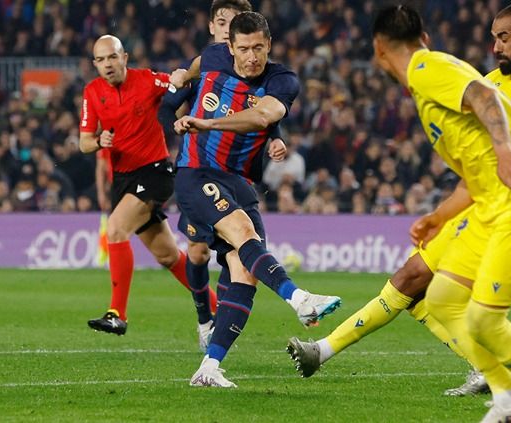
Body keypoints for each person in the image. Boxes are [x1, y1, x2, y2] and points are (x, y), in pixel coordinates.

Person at [286, 1, 511, 401]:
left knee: (441, 297)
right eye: (493, 37)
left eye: (504, 37)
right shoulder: (491, 80)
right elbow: (476, 160)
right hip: (480, 203)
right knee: (417, 286)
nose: (495, 46)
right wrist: (443, 212)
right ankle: (328, 353)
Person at [171, 12, 341, 387]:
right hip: (196, 172)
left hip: (240, 182)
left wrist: (209, 123)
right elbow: (199, 64)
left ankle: (209, 368)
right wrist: (183, 75)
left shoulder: (283, 80)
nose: (252, 57)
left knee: (245, 271)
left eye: (259, 48)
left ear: (270, 45)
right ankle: (299, 299)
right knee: (241, 231)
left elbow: (263, 115)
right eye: (244, 49)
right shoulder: (214, 57)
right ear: (229, 48)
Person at [79, 35, 208, 335]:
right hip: (123, 179)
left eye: (112, 57)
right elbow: (85, 142)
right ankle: (215, 304)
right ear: (95, 64)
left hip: (154, 172)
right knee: (167, 255)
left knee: (115, 229)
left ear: (124, 57)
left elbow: (179, 85)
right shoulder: (92, 92)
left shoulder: (147, 81)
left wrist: (183, 85)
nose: (107, 64)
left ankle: (117, 313)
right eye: (100, 60)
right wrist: (99, 141)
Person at [158, 0, 258, 351]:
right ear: (213, 29)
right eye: (222, 21)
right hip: (199, 172)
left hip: (235, 172)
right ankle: (204, 318)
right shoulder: (202, 69)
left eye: (235, 23)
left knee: (237, 251)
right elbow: (167, 107)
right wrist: (179, 122)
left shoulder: (251, 71)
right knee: (198, 254)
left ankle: (222, 334)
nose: (227, 28)